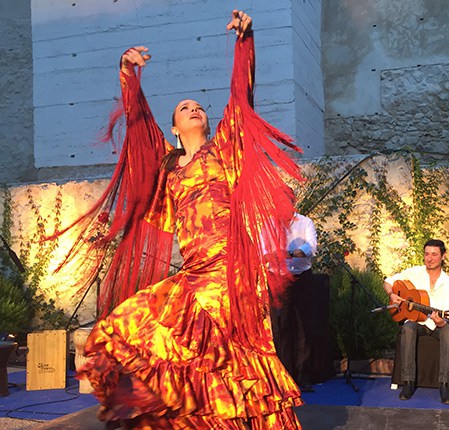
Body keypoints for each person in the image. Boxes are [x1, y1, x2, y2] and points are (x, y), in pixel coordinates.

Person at [72, 10, 305, 428]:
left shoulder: (224, 150)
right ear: (175, 129)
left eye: (199, 107)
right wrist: (127, 73)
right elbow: (140, 127)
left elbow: (242, 96)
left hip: (232, 270)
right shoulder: (168, 167)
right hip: (195, 272)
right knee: (139, 328)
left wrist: (244, 43)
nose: (194, 109)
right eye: (184, 108)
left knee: (234, 359)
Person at [383, 239, 449, 405]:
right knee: (408, 327)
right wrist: (391, 294)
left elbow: (445, 318)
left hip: (438, 325)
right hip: (418, 323)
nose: (429, 258)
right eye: (427, 254)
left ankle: (444, 385)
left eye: (434, 254)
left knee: (448, 331)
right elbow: (388, 281)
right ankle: (408, 382)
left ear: (443, 256)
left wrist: (440, 322)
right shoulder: (414, 273)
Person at [270, 212, 318, 392]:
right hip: (278, 278)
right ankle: (284, 376)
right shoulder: (269, 223)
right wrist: (274, 255)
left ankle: (303, 375)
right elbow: (264, 251)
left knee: (303, 325)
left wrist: (288, 254)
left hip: (302, 277)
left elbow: (310, 247)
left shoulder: (305, 222)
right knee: (281, 327)